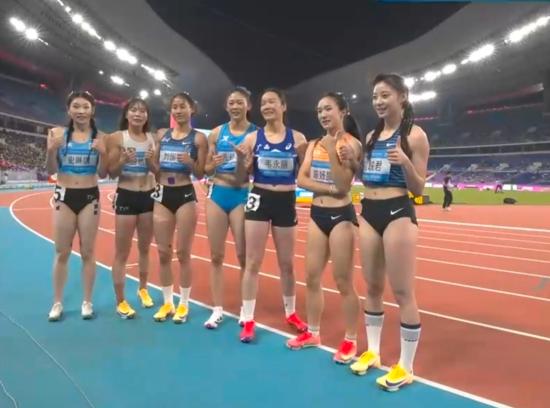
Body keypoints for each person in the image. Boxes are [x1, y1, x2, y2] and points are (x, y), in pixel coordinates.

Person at [345, 74, 430, 391]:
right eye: (375, 97)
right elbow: (368, 177)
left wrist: (405, 161)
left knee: (403, 291)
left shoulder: (415, 135)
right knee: (372, 286)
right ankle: (373, 351)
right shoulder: (371, 136)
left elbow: (419, 189)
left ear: (402, 97)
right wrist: (354, 163)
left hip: (398, 212)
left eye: (385, 95)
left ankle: (406, 366)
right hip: (369, 211)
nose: (378, 102)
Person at [286, 92, 362, 364]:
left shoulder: (351, 144)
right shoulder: (314, 143)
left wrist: (332, 151)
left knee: (343, 281)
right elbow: (301, 179)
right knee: (311, 277)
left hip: (341, 216)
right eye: (319, 111)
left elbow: (343, 185)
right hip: (318, 213)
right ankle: (314, 333)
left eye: (328, 109)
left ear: (343, 111)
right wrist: (328, 188)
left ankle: (350, 339)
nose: (323, 115)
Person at [239, 88, 308, 342]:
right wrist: (245, 165)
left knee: (287, 263)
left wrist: (304, 155)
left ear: (283, 106)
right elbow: (243, 175)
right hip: (259, 198)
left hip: (286, 201)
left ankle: (291, 313)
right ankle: (248, 318)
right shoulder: (252, 139)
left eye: (272, 102)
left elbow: (304, 174)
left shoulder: (298, 138)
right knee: (252, 262)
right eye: (263, 103)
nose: (267, 106)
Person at [45, 91, 108, 321]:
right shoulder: (56, 133)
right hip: (64, 195)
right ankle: (57, 302)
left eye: (85, 107)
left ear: (92, 110)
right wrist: (51, 150)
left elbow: (104, 173)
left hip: (89, 196)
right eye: (76, 106)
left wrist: (103, 154)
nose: (81, 111)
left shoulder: (102, 137)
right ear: (68, 109)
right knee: (62, 251)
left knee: (88, 252)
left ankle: (87, 302)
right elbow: (50, 170)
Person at [150, 93, 208, 323]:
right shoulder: (162, 135)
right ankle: (167, 303)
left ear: (191, 109)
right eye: (174, 107)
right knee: (163, 252)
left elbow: (201, 173)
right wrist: (149, 162)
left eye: (182, 106)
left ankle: (183, 304)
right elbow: (155, 167)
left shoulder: (198, 138)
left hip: (184, 194)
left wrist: (190, 163)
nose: (178, 110)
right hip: (162, 193)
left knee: (183, 253)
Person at [203, 87, 255, 329]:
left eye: (239, 102)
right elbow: (206, 168)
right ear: (226, 106)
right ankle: (217, 309)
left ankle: (246, 308)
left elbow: (254, 172)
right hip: (217, 194)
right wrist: (211, 165)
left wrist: (245, 163)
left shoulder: (255, 134)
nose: (235, 106)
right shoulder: (216, 133)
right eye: (231, 103)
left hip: (241, 194)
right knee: (216, 256)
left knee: (244, 256)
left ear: (248, 106)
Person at [107, 98, 156, 319]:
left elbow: (157, 170)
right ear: (126, 114)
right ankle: (120, 301)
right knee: (122, 252)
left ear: (147, 116)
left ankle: (143, 289)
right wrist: (123, 161)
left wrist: (151, 163)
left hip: (148, 196)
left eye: (142, 111)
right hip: (126, 195)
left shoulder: (152, 139)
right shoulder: (117, 138)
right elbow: (111, 172)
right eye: (134, 110)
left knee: (145, 248)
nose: (138, 114)